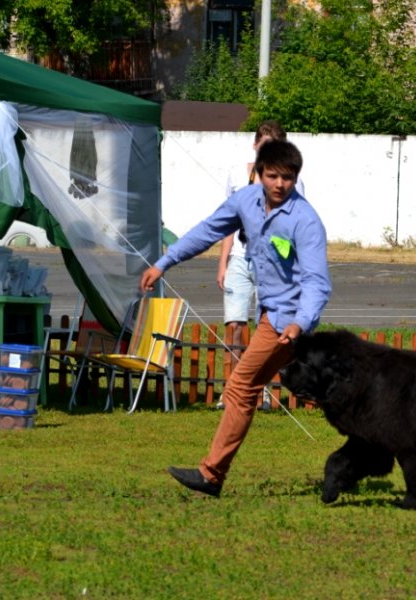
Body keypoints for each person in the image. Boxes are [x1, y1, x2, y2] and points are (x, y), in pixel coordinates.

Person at [140, 140, 331, 496]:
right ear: (258, 173)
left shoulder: (305, 221)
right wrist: (164, 263)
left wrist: (300, 323)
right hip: (268, 313)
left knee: (241, 387)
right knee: (272, 388)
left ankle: (211, 475)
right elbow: (207, 231)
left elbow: (317, 283)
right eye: (272, 176)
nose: (280, 184)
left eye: (288, 178)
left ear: (296, 178)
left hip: (286, 320)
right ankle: (363, 430)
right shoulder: (245, 201)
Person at [216, 120, 305, 409]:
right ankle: (231, 391)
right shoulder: (236, 174)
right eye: (265, 147)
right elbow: (227, 222)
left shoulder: (290, 183)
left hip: (273, 264)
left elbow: (297, 226)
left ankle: (260, 390)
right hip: (240, 258)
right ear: (255, 146)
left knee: (265, 329)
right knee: (234, 325)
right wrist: (223, 262)